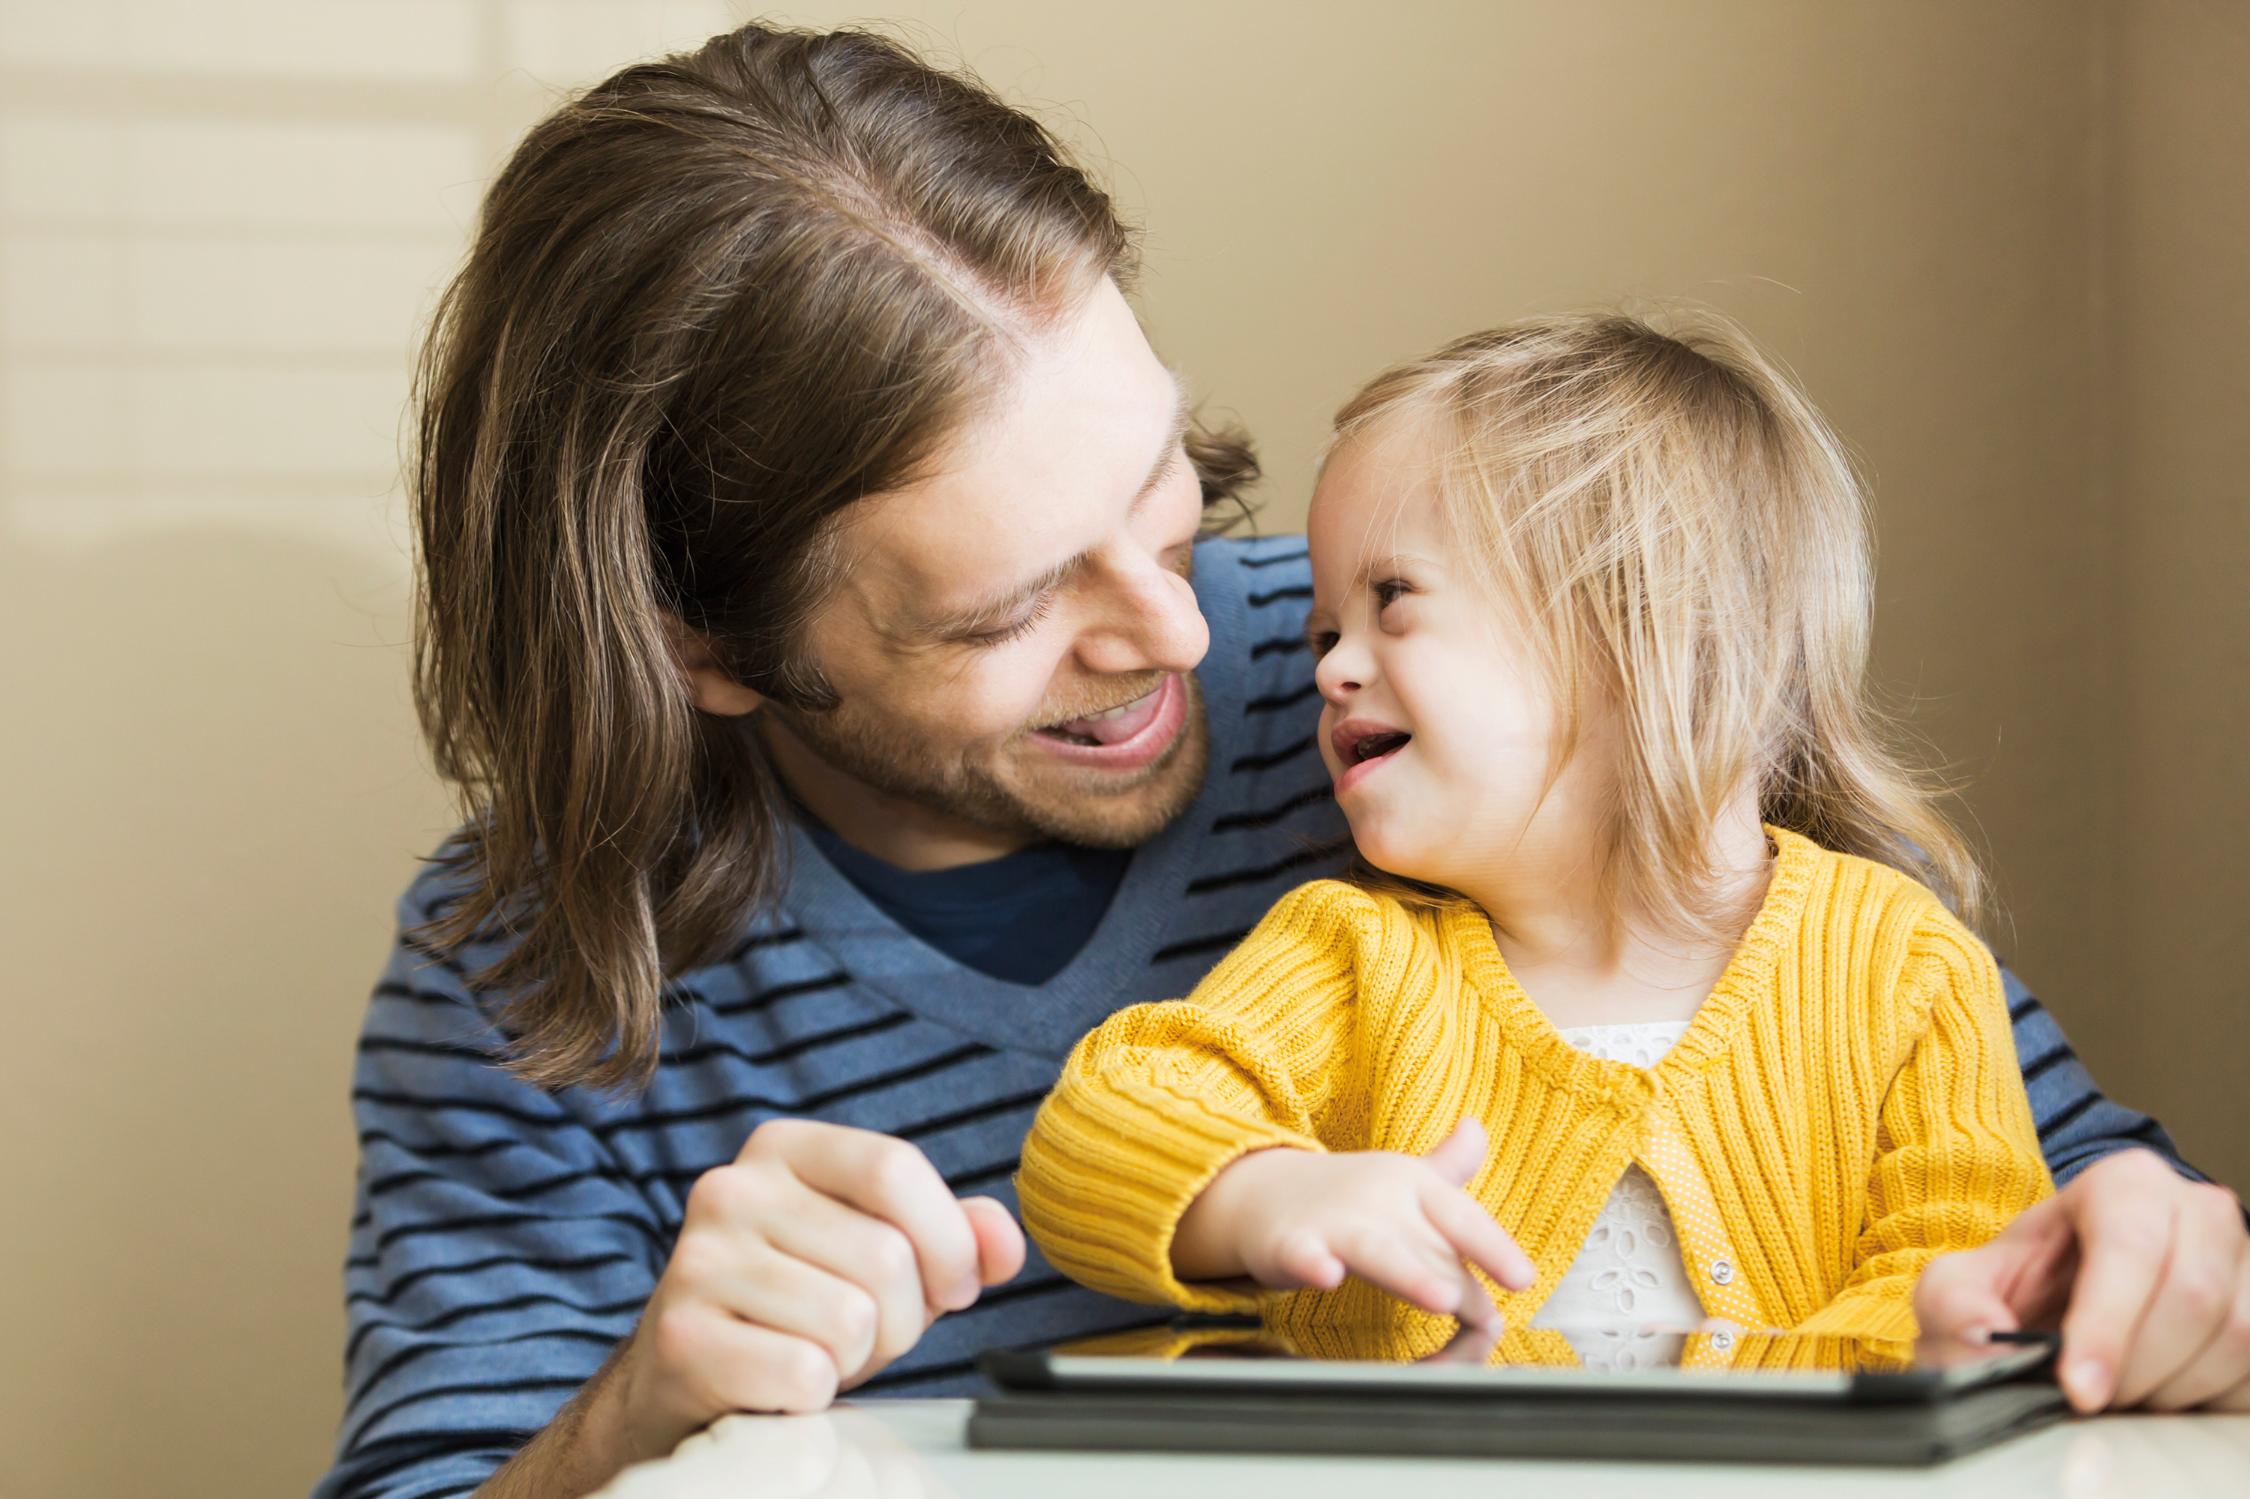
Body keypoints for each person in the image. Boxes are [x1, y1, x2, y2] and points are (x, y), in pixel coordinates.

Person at [315, 20, 2250, 1499]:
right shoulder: (531, 976)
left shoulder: (1440, 695)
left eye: (1165, 486)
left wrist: (2151, 1250)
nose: (1187, 635)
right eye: (1009, 612)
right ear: (708, 646)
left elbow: (2039, 1191)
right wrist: (634, 1410)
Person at [1018, 311, 2053, 1370]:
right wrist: (1265, 1188)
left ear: (1640, 622)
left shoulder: (1902, 966)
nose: (1329, 669)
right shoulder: (1348, 955)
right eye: (1326, 631)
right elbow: (1096, 1128)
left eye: (1392, 599)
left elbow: (1958, 1275)